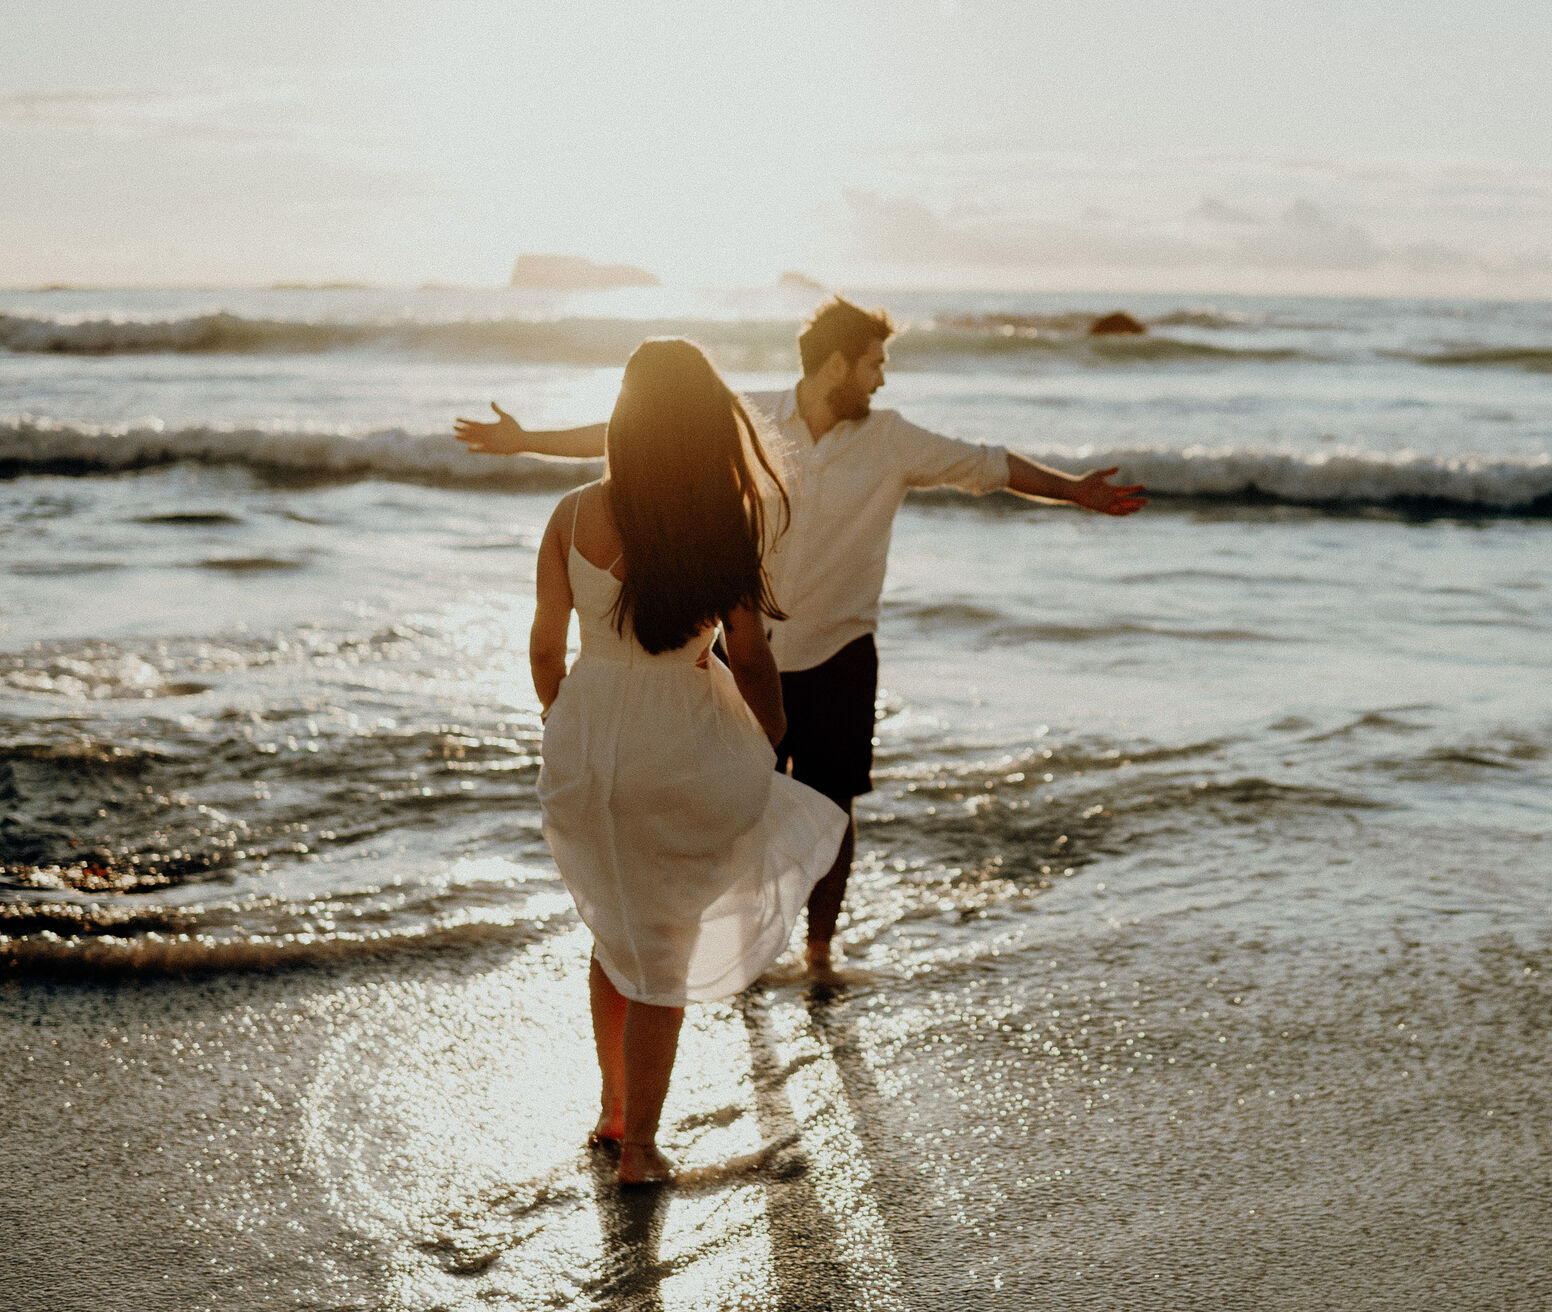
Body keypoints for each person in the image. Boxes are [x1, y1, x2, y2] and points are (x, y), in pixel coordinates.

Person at [464, 297, 1146, 981]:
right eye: (874, 364)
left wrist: (1071, 491)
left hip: (840, 649)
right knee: (735, 806)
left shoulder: (893, 439)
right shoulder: (751, 415)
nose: (881, 378)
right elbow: (644, 431)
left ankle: (819, 953)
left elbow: (988, 465)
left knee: (832, 806)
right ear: (837, 365)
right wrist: (528, 441)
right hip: (744, 653)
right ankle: (738, 952)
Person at [531, 337, 846, 1185]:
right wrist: (769, 741)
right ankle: (639, 1151)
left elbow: (544, 650)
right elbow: (751, 657)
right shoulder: (719, 521)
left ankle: (613, 1111)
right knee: (661, 945)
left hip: (587, 743)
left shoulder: (570, 513)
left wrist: (565, 720)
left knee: (616, 930)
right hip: (679, 742)